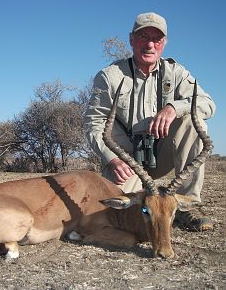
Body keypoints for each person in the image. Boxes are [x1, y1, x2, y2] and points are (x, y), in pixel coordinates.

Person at [84, 12, 216, 232]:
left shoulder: (176, 73)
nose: (150, 45)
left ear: (164, 44)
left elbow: (208, 103)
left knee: (194, 123)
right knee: (117, 212)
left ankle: (185, 208)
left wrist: (174, 108)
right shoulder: (110, 76)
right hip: (126, 162)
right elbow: (94, 122)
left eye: (157, 39)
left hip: (160, 154)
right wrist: (112, 160)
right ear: (132, 40)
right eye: (144, 36)